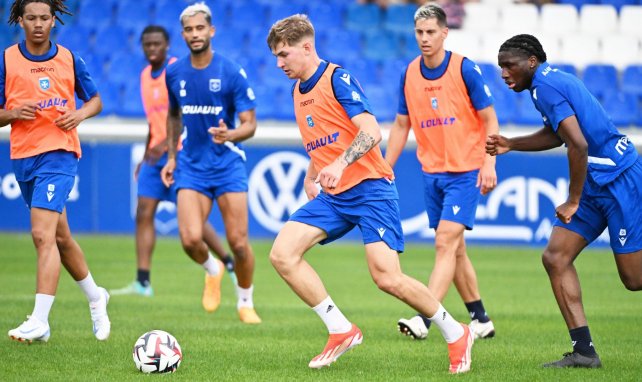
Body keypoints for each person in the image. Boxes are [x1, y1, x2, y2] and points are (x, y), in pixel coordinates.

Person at [267, 14, 474, 373]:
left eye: (284, 54)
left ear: (306, 47)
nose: (279, 63)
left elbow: (371, 132)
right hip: (334, 194)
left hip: (370, 189)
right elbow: (324, 138)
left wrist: (339, 166)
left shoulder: (337, 78)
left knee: (386, 278)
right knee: (283, 254)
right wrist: (311, 173)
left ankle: (456, 332)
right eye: (276, 57)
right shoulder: (297, 90)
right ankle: (340, 329)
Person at [488, 34, 642, 368]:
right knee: (556, 257)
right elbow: (559, 134)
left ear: (530, 62)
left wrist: (573, 200)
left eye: (509, 65)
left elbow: (578, 145)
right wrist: (511, 144)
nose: (503, 73)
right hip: (595, 181)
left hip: (618, 179)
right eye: (501, 66)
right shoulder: (543, 84)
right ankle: (584, 352)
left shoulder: (547, 87)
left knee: (634, 280)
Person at [385, 3, 498, 342]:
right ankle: (480, 318)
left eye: (431, 32)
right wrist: (383, 167)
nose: (424, 38)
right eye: (419, 32)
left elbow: (490, 119)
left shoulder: (465, 69)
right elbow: (402, 124)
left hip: (465, 172)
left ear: (445, 33)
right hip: (432, 173)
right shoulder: (409, 73)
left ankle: (425, 317)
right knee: (456, 249)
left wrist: (489, 162)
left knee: (444, 243)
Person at [1, 0, 110, 343]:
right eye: (30, 18)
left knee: (41, 235)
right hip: (24, 157)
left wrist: (79, 115)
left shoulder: (68, 58)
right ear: (19, 20)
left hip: (60, 155)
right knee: (60, 237)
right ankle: (96, 297)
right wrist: (14, 112)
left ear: (53, 20)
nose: (37, 24)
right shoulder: (6, 59)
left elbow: (95, 100)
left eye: (44, 18)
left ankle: (40, 320)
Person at [110, 25, 236, 298]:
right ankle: (142, 282)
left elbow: (183, 116)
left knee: (193, 222)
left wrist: (165, 147)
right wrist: (146, 155)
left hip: (181, 155)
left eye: (157, 44)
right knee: (144, 213)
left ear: (168, 46)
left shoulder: (179, 71)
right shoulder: (145, 76)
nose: (152, 49)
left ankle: (227, 262)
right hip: (154, 158)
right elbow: (153, 121)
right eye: (147, 45)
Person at [160, 3, 261, 324]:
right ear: (183, 35)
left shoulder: (230, 71)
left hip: (227, 165)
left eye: (200, 28)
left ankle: (245, 301)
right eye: (189, 30)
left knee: (240, 244)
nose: (195, 34)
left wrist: (229, 134)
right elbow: (173, 114)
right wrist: (172, 157)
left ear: (211, 31)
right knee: (190, 239)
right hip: (191, 164)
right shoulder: (174, 72)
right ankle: (212, 268)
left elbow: (250, 124)